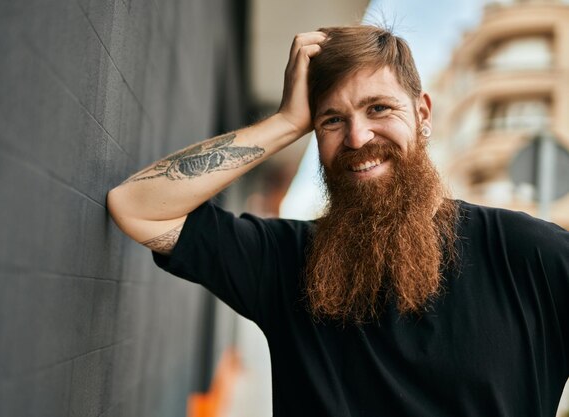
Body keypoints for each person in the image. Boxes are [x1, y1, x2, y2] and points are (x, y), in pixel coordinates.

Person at [107, 25, 569, 416]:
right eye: (331, 120)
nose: (357, 136)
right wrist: (286, 123)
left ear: (422, 113)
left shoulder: (531, 256)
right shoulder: (287, 261)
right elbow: (138, 207)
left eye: (379, 108)